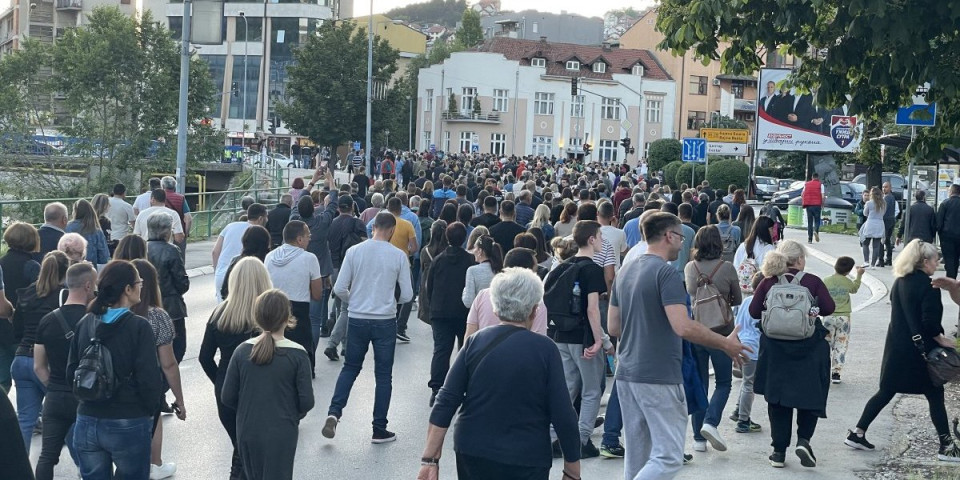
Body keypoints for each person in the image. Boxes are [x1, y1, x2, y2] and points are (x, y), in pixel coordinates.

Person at [608, 212, 749, 479]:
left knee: (637, 458)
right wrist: (725, 344)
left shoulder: (625, 271)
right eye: (681, 237)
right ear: (669, 236)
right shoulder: (666, 273)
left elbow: (614, 327)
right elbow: (683, 326)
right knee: (669, 456)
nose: (682, 244)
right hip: (658, 376)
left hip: (627, 373)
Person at [416, 267, 581, 480]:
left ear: (496, 309)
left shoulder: (475, 342)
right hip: (527, 455)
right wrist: (572, 470)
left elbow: (446, 401)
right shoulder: (546, 349)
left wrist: (429, 460)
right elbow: (563, 414)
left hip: (473, 450)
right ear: (534, 310)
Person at [845, 240, 960, 461]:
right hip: (921, 351)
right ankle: (946, 446)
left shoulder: (900, 282)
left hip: (897, 346)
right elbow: (930, 322)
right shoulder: (929, 287)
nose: (938, 263)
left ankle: (858, 433)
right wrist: (942, 339)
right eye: (936, 259)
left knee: (886, 390)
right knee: (935, 394)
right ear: (924, 261)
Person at [66, 260, 164, 479]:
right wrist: (148, 413)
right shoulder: (138, 326)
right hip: (127, 419)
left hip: (87, 418)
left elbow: (71, 371)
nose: (142, 286)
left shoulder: (85, 322)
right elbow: (150, 380)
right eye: (139, 282)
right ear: (127, 289)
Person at [324, 212, 413, 444]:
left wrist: (354, 299)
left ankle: (334, 412)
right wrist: (391, 303)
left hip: (357, 317)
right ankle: (379, 428)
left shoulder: (354, 252)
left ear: (372, 227)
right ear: (392, 230)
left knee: (350, 368)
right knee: (383, 375)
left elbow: (340, 287)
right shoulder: (398, 256)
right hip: (384, 320)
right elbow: (407, 294)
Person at [748, 240, 835, 468]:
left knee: (778, 400)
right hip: (809, 349)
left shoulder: (768, 282)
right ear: (798, 260)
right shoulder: (813, 282)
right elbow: (828, 308)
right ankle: (804, 441)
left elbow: (754, 311)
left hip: (775, 351)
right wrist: (811, 311)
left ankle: (778, 452)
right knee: (809, 396)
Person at [222, 290, 315, 480]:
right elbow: (307, 402)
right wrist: (292, 414)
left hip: (247, 429)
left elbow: (227, 397)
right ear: (286, 316)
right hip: (282, 431)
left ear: (257, 316)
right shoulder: (298, 354)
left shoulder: (242, 351)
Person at [199, 257, 271, 479]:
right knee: (252, 455)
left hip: (226, 392)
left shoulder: (220, 313)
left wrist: (221, 380)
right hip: (259, 393)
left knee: (240, 448)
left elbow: (204, 357)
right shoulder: (268, 316)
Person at [546, 220, 609, 458]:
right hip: (583, 336)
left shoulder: (563, 266)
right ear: (591, 239)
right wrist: (598, 339)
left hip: (560, 334)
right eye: (600, 236)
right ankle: (581, 440)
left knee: (568, 387)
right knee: (591, 390)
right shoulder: (592, 269)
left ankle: (551, 435)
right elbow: (592, 309)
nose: (602, 241)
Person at [32, 262, 96, 480]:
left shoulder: (48, 320)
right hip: (88, 397)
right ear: (88, 286)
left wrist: (54, 386)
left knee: (47, 457)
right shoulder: (94, 320)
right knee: (93, 456)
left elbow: (38, 366)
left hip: (56, 396)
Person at [683, 226, 743, 453]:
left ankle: (698, 439)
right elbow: (736, 299)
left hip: (697, 331)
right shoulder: (727, 268)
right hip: (722, 333)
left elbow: (690, 293)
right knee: (724, 382)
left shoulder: (690, 267)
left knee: (699, 383)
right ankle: (711, 421)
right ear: (719, 243)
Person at [130, 259, 186, 480]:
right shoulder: (156, 316)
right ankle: (155, 463)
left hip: (117, 385)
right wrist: (179, 399)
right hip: (148, 385)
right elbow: (169, 363)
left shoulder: (108, 312)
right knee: (153, 420)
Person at [11, 251, 68, 453]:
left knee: (25, 419)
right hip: (45, 362)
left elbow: (17, 329)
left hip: (21, 359)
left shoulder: (26, 293)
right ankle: (85, 469)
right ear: (65, 271)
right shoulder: (63, 295)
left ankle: (20, 469)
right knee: (66, 416)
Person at [424, 223, 476, 406]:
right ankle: (462, 385)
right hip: (463, 312)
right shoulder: (470, 261)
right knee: (465, 350)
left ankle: (437, 388)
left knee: (441, 350)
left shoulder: (438, 259)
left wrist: (432, 306)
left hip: (440, 310)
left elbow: (429, 286)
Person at [265, 220, 323, 371]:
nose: (310, 239)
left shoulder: (270, 257)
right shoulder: (309, 258)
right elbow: (317, 295)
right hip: (299, 312)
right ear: (299, 239)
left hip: (273, 308)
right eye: (308, 235)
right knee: (301, 359)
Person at [464, 248, 548, 337]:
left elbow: (469, 336)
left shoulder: (483, 296)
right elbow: (538, 342)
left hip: (485, 349)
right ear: (528, 273)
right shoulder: (536, 303)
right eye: (535, 269)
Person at [146, 213, 190, 363]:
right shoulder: (171, 250)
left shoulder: (142, 248)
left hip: (145, 305)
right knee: (177, 349)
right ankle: (167, 382)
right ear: (166, 231)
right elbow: (182, 282)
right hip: (171, 306)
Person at [1, 222, 39, 390]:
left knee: (3, 377)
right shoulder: (32, 266)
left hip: (1, 325)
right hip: (20, 329)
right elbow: (38, 297)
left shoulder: (1, 262)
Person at [730, 273, 764, 434]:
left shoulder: (747, 301)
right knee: (749, 384)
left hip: (742, 342)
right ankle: (743, 420)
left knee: (746, 381)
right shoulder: (763, 304)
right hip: (754, 347)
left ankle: (738, 410)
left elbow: (737, 321)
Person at [212, 203, 268, 301]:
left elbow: (215, 252)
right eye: (266, 217)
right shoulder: (258, 233)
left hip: (221, 274)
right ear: (260, 218)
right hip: (242, 275)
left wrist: (217, 271)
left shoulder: (230, 226)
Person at [822, 256, 864, 384]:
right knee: (841, 344)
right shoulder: (847, 282)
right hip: (844, 317)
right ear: (848, 270)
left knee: (825, 344)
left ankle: (823, 369)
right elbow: (855, 289)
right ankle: (836, 372)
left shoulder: (826, 280)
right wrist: (859, 275)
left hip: (828, 316)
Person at [412, 221, 448, 334]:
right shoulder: (448, 250)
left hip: (428, 284)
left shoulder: (425, 251)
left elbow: (422, 269)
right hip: (444, 284)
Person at [219, 225, 271, 300]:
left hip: (237, 306)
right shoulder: (268, 261)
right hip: (262, 307)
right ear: (266, 242)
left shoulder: (236, 261)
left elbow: (224, 290)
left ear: (244, 241)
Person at [461, 235, 503, 308]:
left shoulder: (472, 271)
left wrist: (465, 290)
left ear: (480, 251)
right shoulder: (500, 270)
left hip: (480, 313)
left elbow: (468, 302)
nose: (473, 251)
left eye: (475, 247)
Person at [65, 199, 110, 265]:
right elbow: (104, 257)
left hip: (71, 268)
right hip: (90, 269)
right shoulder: (96, 230)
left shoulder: (67, 227)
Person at [161, 176, 193, 260]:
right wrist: (186, 233)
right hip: (178, 231)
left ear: (163, 186)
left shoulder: (159, 198)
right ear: (174, 186)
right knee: (180, 257)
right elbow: (188, 219)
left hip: (161, 232)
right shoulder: (181, 198)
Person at [861, 187, 886, 268]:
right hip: (880, 224)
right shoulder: (883, 203)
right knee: (876, 245)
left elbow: (865, 213)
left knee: (865, 243)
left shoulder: (869, 203)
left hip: (870, 223)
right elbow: (883, 213)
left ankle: (866, 261)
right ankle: (873, 264)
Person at [939, 184, 960, 278]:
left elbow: (939, 222)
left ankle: (951, 279)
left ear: (951, 192)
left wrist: (940, 234)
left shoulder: (944, 204)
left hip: (947, 237)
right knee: (956, 259)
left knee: (949, 259)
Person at [880, 181, 900, 266]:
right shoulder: (892, 197)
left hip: (885, 221)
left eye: (886, 187)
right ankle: (889, 259)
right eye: (883, 187)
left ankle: (881, 260)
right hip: (891, 220)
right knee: (887, 241)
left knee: (881, 241)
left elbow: (883, 211)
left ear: (890, 188)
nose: (884, 189)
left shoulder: (886, 198)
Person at [801, 172, 825, 244]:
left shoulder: (806, 184)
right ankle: (816, 231)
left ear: (812, 177)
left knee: (810, 222)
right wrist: (822, 204)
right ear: (818, 177)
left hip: (809, 205)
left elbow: (802, 194)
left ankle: (809, 239)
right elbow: (823, 196)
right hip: (817, 205)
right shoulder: (821, 185)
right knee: (817, 220)